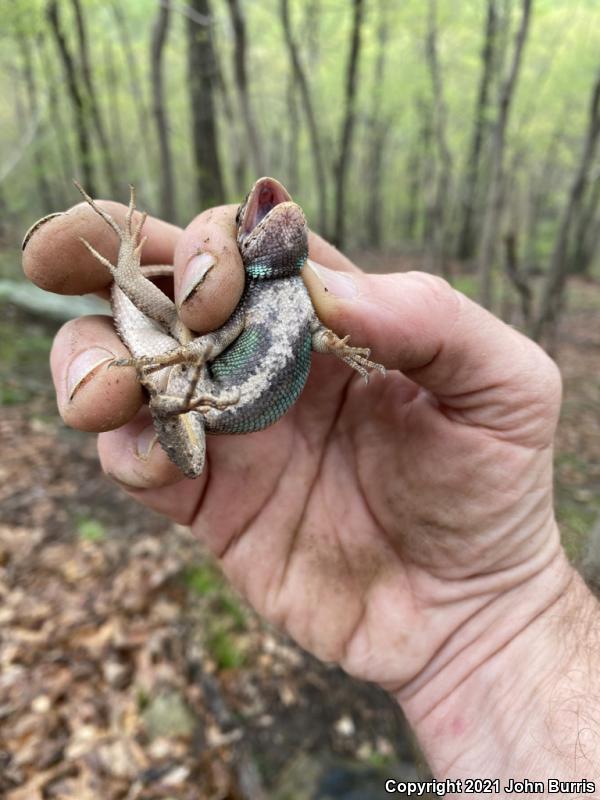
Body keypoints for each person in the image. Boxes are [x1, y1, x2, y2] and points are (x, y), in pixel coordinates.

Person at [22, 197, 600, 790]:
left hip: (208, 391)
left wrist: (518, 608)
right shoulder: (260, 289)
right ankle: (126, 277)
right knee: (174, 385)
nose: (283, 214)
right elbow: (219, 342)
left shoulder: (297, 287)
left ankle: (130, 284)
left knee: (176, 359)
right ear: (250, 250)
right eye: (268, 225)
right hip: (204, 394)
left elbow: (313, 335)